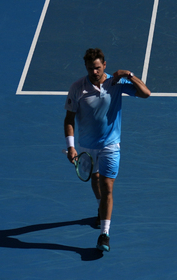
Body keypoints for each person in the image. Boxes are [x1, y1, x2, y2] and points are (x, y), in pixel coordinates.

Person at [64, 47, 151, 253]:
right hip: (86, 146)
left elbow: (146, 93)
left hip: (111, 145)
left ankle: (104, 233)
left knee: (108, 187)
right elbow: (69, 119)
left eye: (97, 68)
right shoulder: (77, 87)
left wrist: (129, 74)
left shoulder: (116, 83)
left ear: (104, 65)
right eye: (90, 68)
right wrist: (71, 147)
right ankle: (101, 208)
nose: (94, 72)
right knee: (95, 182)